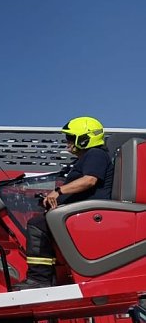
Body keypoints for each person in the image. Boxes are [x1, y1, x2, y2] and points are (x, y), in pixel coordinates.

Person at [17, 116, 114, 289]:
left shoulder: (95, 154)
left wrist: (59, 192)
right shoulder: (87, 158)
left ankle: (39, 279)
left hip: (88, 213)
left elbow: (89, 180)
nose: (67, 142)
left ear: (84, 139)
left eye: (70, 138)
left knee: (38, 224)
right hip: (81, 211)